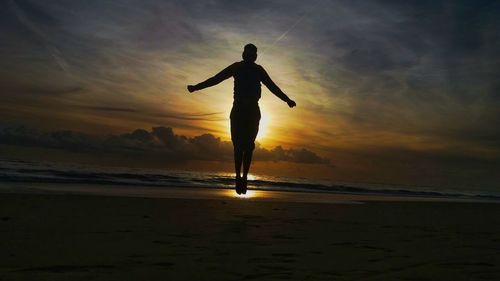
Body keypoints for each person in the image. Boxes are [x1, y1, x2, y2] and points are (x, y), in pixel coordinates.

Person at [187, 43, 296, 194]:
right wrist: (196, 87)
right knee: (238, 146)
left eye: (253, 54)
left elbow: (272, 86)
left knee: (249, 146)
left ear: (256, 56)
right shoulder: (236, 67)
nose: (251, 56)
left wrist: (287, 100)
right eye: (248, 53)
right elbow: (216, 79)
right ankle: (238, 176)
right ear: (243, 55)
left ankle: (244, 176)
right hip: (238, 108)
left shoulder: (259, 70)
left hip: (252, 109)